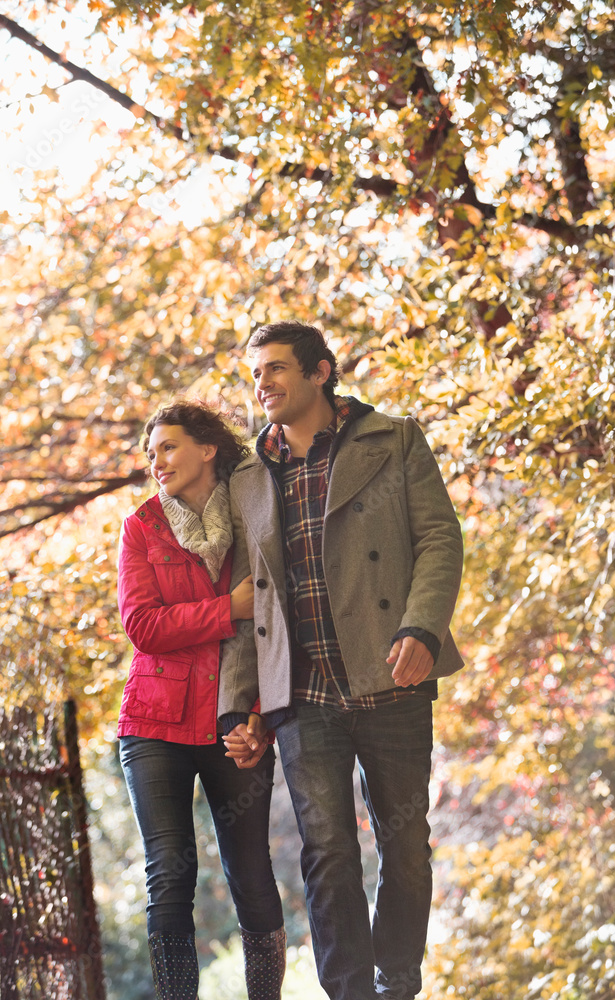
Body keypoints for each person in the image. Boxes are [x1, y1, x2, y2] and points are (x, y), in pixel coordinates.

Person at [218, 322, 464, 1000]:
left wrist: (423, 629)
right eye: (255, 374)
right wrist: (240, 705)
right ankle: (351, 992)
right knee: (328, 855)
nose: (262, 384)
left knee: (406, 846)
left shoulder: (395, 438)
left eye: (275, 369)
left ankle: (398, 979)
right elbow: (248, 598)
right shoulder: (246, 478)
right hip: (303, 695)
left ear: (320, 371)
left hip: (393, 673)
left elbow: (440, 538)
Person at [116, 399, 286, 1000]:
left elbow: (275, 631)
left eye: (168, 447)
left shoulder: (254, 519)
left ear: (207, 448)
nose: (156, 461)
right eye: (151, 453)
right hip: (154, 722)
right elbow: (144, 627)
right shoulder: (142, 527)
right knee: (171, 869)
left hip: (233, 718)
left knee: (251, 870)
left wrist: (261, 718)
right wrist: (226, 609)